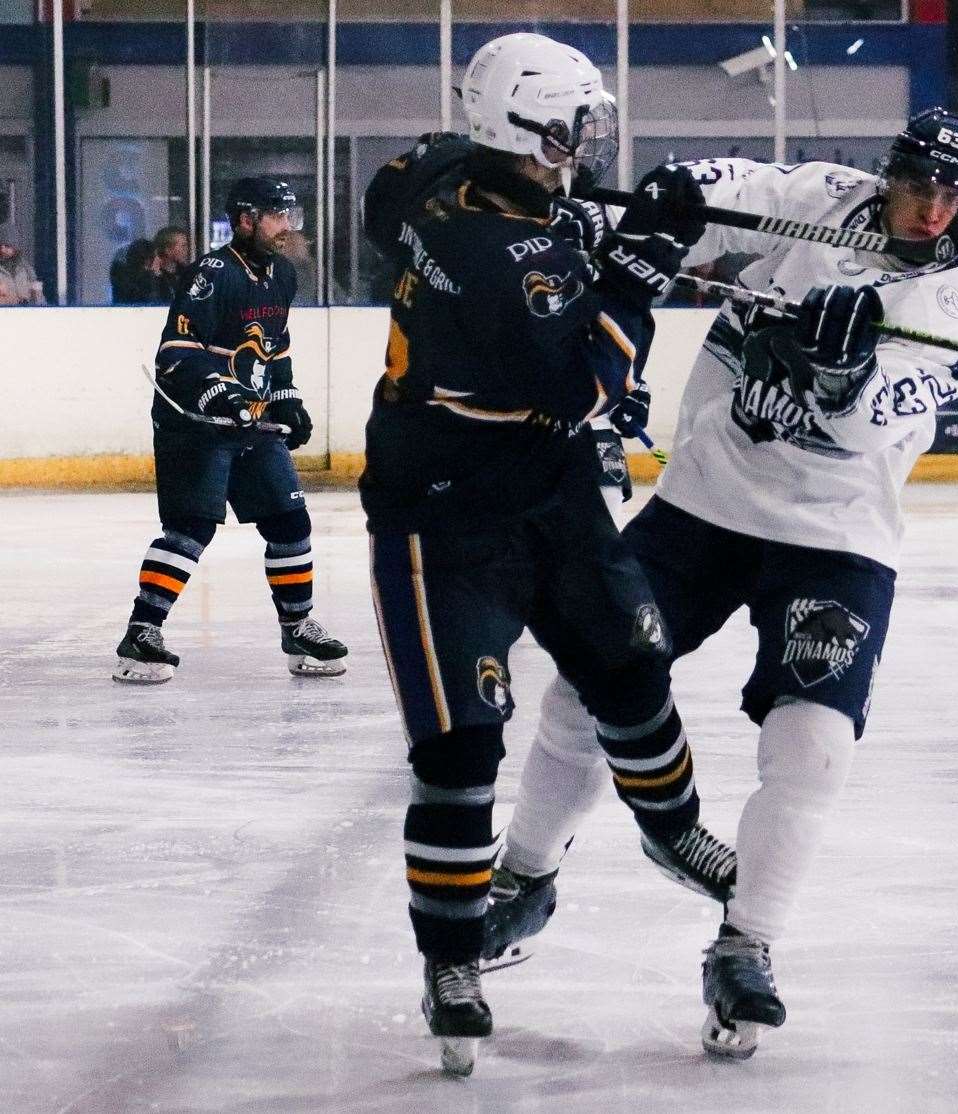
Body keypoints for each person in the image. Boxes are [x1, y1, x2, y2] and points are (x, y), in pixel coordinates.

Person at [485, 106, 958, 1061]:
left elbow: (854, 430)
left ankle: (747, 943)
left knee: (812, 745)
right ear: (889, 174)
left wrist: (845, 364)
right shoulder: (817, 200)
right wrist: (663, 206)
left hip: (834, 538)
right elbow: (712, 199)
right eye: (918, 184)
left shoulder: (951, 317)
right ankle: (525, 876)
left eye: (951, 194)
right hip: (702, 507)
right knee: (587, 677)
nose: (931, 209)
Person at [357, 32, 736, 1075]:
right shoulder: (501, 254)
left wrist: (567, 226)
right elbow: (581, 387)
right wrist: (635, 273)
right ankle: (451, 959)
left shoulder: (435, 176)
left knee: (630, 664)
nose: (590, 139)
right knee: (459, 749)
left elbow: (393, 194)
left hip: (549, 492)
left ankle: (672, 827)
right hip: (445, 518)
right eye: (575, 125)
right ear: (527, 128)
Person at [111, 177, 348, 685]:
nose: (288, 226)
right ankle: (141, 631)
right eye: (277, 215)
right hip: (193, 423)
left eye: (291, 215)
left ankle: (298, 627)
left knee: (290, 524)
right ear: (245, 220)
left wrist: (287, 398)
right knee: (190, 530)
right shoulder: (212, 274)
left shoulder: (281, 274)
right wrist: (222, 393)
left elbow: (273, 347)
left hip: (252, 422)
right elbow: (176, 352)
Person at [0, 226, 45, 306]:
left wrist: (37, 297)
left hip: (26, 315)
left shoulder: (26, 269)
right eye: (0, 246)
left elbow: (40, 301)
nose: (2, 250)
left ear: (15, 247)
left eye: (7, 246)